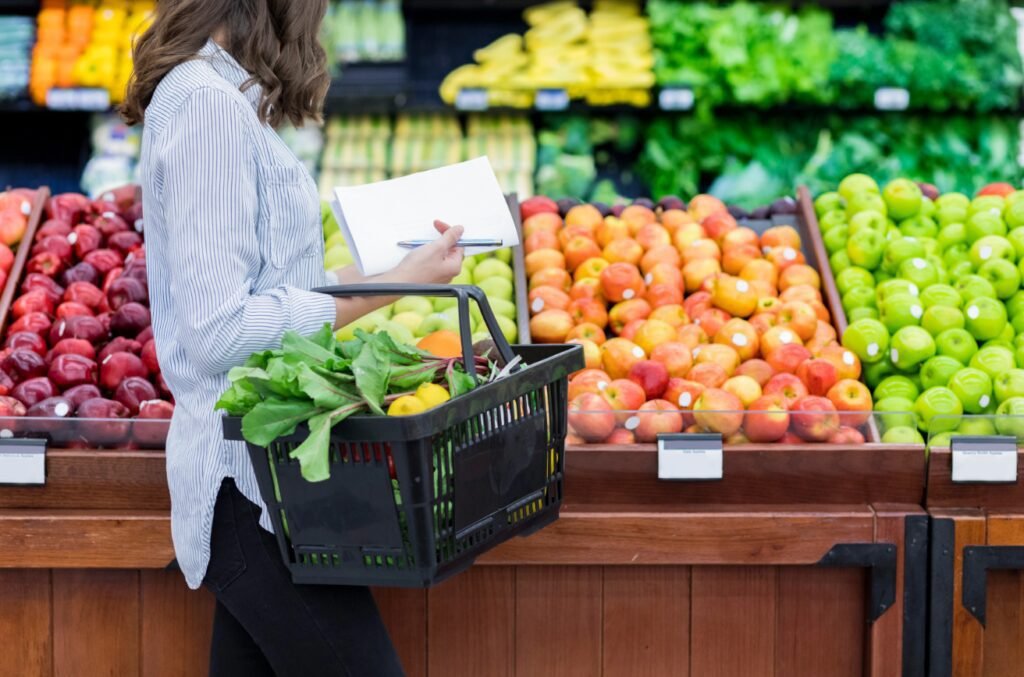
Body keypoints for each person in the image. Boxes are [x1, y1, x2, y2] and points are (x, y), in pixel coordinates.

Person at [121, 2, 464, 674]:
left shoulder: (219, 97)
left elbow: (277, 284)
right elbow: (221, 327)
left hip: (274, 484)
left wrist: (396, 271)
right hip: (247, 488)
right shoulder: (207, 108)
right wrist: (386, 290)